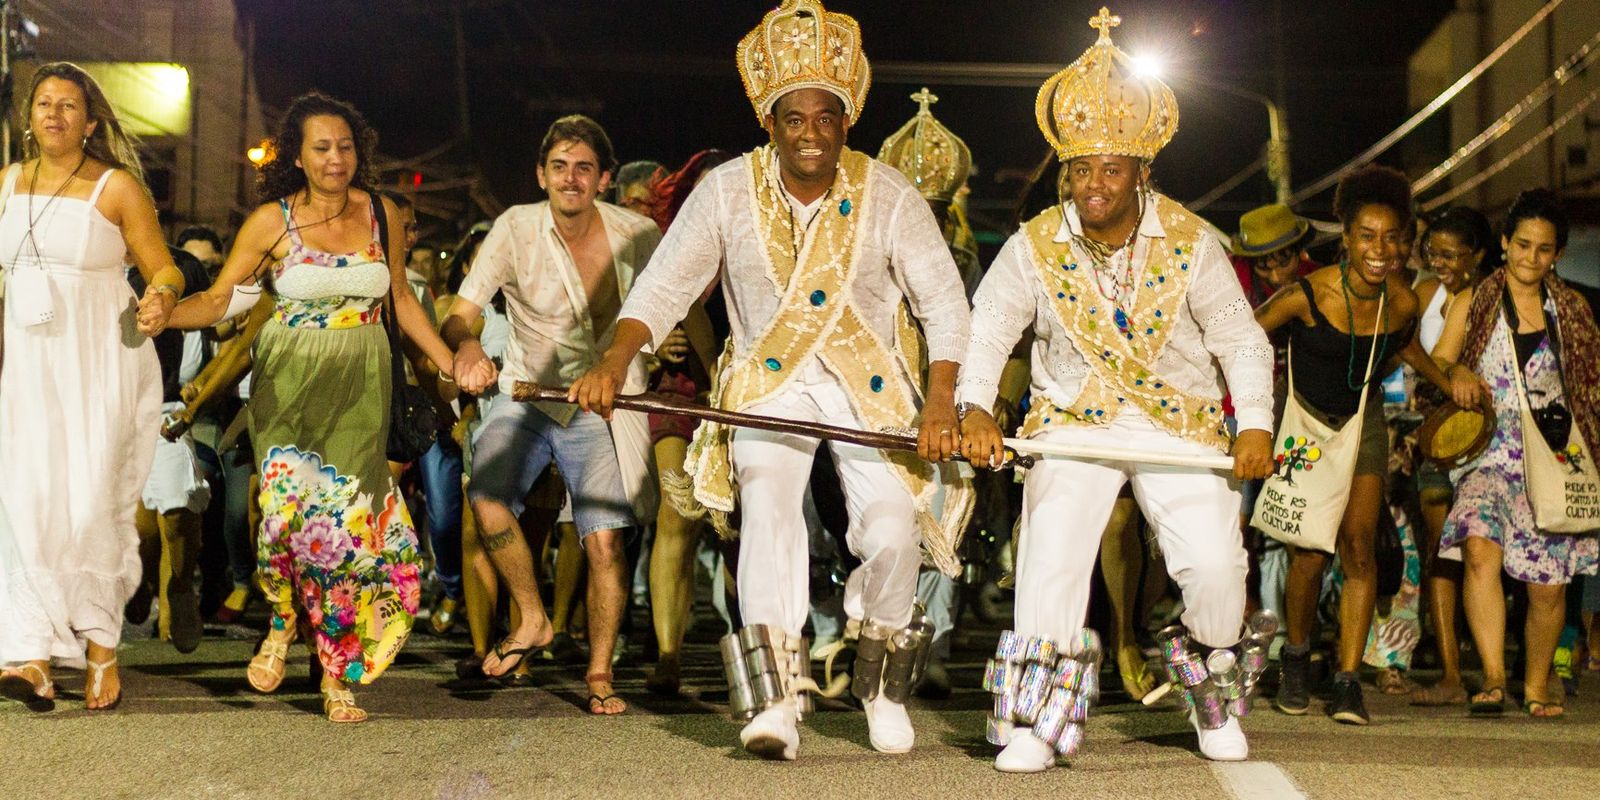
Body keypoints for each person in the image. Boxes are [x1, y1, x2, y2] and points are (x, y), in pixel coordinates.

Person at [571, 0, 972, 760]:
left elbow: (946, 307)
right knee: (768, 509)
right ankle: (776, 699)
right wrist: (614, 360)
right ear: (771, 122)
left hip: (873, 392)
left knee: (891, 530)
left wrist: (944, 400)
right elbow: (661, 289)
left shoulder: (889, 194)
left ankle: (881, 680)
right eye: (795, 117)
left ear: (847, 120)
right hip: (770, 385)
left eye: (827, 116)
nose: (811, 132)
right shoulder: (725, 190)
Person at [958, 8, 1274, 770]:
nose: (1092, 184)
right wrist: (972, 407)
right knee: (1050, 563)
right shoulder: (1034, 244)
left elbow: (1240, 340)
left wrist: (1255, 423)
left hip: (1180, 435)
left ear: (1142, 171)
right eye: (1080, 168)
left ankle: (1212, 687)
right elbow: (989, 330)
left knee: (1215, 572)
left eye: (1110, 168)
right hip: (1070, 429)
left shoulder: (1194, 241)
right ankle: (1038, 722)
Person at [167, 91, 477, 723]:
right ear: (298, 158)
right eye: (322, 148)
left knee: (346, 527)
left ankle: (335, 674)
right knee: (284, 517)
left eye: (345, 146)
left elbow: (404, 304)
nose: (336, 159)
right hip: (289, 382)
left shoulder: (381, 214)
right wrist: (168, 314)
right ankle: (281, 623)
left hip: (361, 382)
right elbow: (223, 299)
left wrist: (454, 367)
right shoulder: (270, 221)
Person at [441, 114, 660, 715]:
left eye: (584, 167)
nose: (571, 178)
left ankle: (598, 673)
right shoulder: (514, 227)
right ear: (541, 174)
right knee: (485, 493)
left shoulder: (637, 233)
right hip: (527, 394)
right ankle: (533, 617)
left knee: (604, 545)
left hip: (600, 402)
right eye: (559, 166)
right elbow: (462, 313)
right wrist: (463, 345)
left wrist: (697, 356)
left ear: (604, 179)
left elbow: (674, 300)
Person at [1253, 165, 1472, 725]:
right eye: (1368, 236)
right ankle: (1298, 657)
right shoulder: (1305, 295)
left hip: (1364, 426)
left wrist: (1453, 384)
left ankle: (1349, 679)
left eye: (1393, 237)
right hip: (1304, 427)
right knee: (1308, 554)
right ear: (1345, 238)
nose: (1382, 249)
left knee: (1358, 548)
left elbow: (1407, 353)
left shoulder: (1401, 303)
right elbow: (1245, 339)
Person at [0, 62, 185, 711]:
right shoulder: (5, 185)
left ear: (91, 120)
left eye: (68, 105)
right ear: (29, 117)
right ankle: (32, 655)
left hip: (99, 362)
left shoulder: (116, 188)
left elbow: (162, 266)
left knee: (86, 507)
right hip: (26, 369)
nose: (53, 114)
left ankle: (102, 644)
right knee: (25, 504)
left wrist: (162, 295)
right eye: (43, 103)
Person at [1431, 189, 1599, 718]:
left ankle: (1534, 685)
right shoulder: (1475, 299)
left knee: (1547, 586)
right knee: (1480, 546)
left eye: (1544, 248)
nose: (1531, 256)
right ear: (1504, 244)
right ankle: (1495, 679)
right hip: (1489, 453)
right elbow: (1441, 357)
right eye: (1522, 244)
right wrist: (1457, 372)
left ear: (1557, 254)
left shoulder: (1571, 309)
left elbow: (1591, 387)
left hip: (1553, 457)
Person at [877, 85, 974, 698]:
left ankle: (932, 644)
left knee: (944, 524)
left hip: (949, 412)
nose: (928, 228)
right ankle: (867, 635)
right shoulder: (869, 259)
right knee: (873, 524)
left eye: (935, 216)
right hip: (878, 406)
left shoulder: (965, 262)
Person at [1406, 206, 1495, 706]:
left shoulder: (1495, 296)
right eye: (1432, 252)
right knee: (1441, 552)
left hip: (1490, 437)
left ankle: (1494, 667)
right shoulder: (1423, 294)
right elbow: (1414, 357)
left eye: (1450, 254)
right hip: (1435, 434)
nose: (1438, 262)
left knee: (1489, 552)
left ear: (1478, 255)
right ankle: (1451, 673)